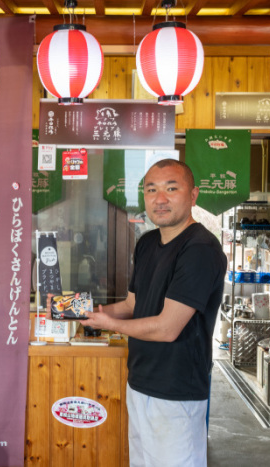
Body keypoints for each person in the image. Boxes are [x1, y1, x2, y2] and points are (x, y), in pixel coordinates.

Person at [83, 158, 226, 467]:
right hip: (140, 382)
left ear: (193, 195)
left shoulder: (200, 249)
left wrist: (109, 325)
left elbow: (167, 328)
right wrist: (89, 312)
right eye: (151, 190)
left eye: (171, 188)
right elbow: (132, 305)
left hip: (177, 392)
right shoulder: (148, 243)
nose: (160, 199)